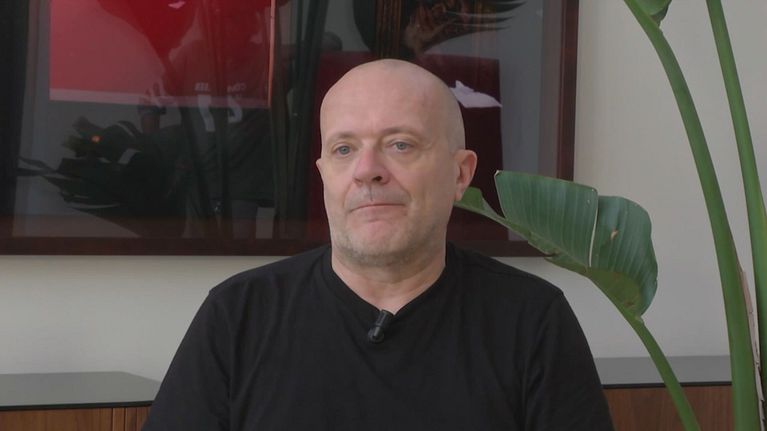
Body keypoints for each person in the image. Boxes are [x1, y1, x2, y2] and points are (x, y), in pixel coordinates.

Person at [142, 59, 614, 430]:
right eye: (344, 149)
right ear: (324, 175)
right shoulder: (238, 315)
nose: (367, 170)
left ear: (460, 174)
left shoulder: (531, 320)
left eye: (400, 144)